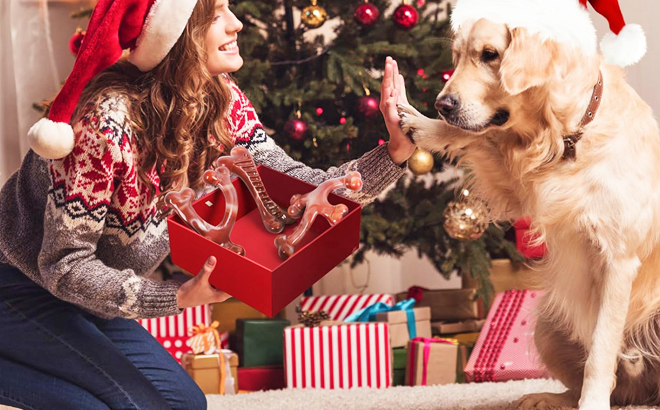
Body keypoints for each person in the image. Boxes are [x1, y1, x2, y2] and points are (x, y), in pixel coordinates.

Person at [0, 0, 414, 409]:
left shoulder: (220, 100)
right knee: (130, 406)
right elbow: (65, 266)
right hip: (18, 285)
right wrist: (175, 298)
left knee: (185, 403)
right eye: (217, 15)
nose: (236, 24)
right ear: (177, 34)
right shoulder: (103, 126)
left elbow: (301, 187)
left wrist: (394, 153)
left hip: (91, 294)